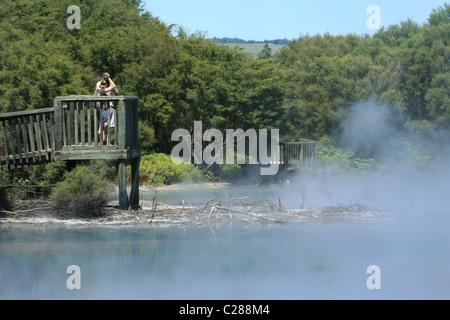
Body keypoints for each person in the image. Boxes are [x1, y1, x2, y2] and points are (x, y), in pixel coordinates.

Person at [95, 73, 119, 145]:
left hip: (106, 107)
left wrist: (109, 79)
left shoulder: (105, 85)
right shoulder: (100, 85)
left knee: (104, 126)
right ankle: (106, 142)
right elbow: (113, 86)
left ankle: (103, 142)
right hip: (104, 107)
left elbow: (116, 92)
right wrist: (109, 79)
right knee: (105, 126)